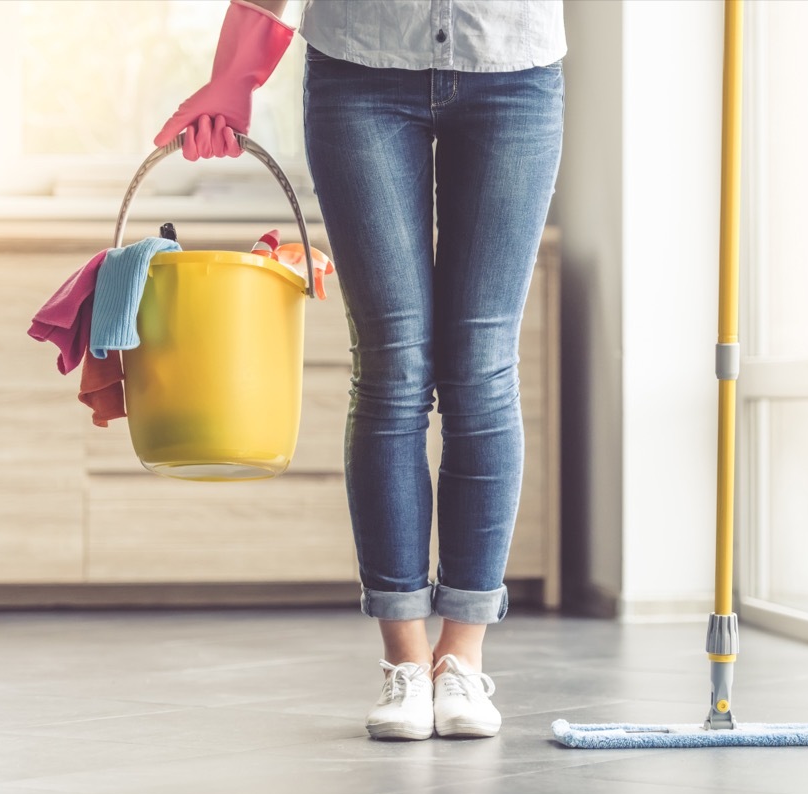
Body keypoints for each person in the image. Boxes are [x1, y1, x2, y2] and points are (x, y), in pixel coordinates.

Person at [154, 0, 565, 741]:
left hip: (515, 67)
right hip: (361, 69)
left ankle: (461, 659)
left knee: (481, 364)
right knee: (393, 362)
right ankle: (406, 661)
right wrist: (235, 70)